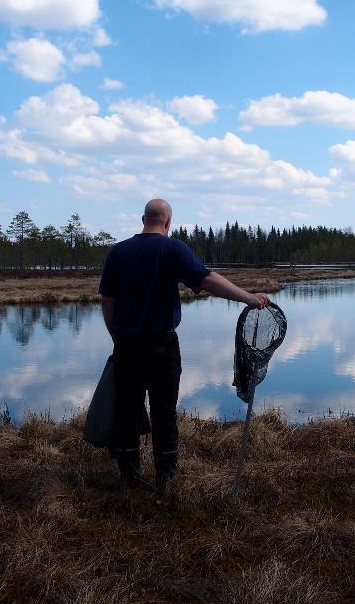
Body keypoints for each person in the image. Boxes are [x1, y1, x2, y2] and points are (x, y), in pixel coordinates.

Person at [99, 198, 270, 491]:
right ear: (168, 222)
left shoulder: (119, 251)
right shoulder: (173, 248)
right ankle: (166, 477)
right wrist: (247, 297)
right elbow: (207, 279)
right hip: (162, 346)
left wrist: (117, 337)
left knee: (127, 410)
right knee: (163, 411)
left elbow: (108, 300)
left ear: (143, 219)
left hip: (127, 345)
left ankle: (129, 476)